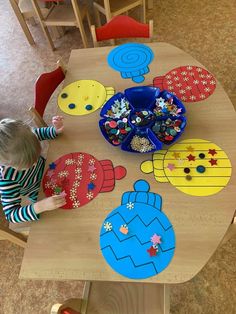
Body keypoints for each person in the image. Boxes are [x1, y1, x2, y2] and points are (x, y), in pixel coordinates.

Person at [0, 117, 66, 223]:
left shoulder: (26, 138)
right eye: (29, 163)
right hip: (38, 194)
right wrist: (40, 206)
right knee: (60, 218)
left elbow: (38, 133)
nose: (35, 162)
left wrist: (54, 130)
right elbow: (11, 215)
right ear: (9, 165)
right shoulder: (7, 179)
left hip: (50, 171)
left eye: (36, 156)